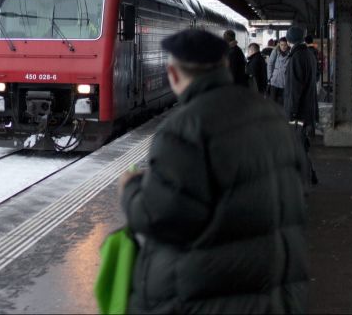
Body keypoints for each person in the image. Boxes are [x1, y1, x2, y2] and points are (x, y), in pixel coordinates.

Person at [119, 29, 308, 313]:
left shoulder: (183, 129)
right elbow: (298, 182)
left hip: (206, 294)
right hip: (275, 289)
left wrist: (131, 189)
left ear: (173, 74)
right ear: (223, 67)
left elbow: (162, 217)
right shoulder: (272, 115)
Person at [285, 25, 320, 186]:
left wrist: (291, 114)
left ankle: (304, 178)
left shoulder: (296, 58)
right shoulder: (308, 55)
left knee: (297, 145)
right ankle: (309, 175)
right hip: (307, 109)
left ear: (289, 39)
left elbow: (294, 90)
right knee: (301, 144)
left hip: (298, 113)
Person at [267, 36, 291, 105]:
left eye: (285, 45)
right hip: (274, 80)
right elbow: (270, 64)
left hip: (285, 82)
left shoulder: (290, 53)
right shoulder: (275, 51)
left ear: (287, 45)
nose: (283, 47)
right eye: (281, 45)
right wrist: (269, 78)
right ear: (279, 44)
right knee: (272, 102)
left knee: (283, 102)